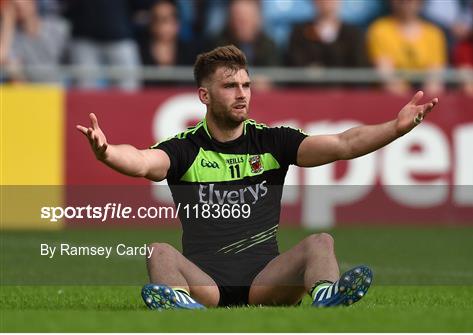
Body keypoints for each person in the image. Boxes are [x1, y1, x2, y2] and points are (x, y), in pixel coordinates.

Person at [76, 45, 438, 308]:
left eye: (246, 85)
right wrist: (106, 152)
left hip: (265, 282)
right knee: (159, 252)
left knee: (320, 242)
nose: (241, 94)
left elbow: (343, 144)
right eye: (230, 86)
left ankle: (327, 296)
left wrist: (396, 128)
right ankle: (184, 305)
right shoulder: (184, 148)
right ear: (204, 95)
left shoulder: (272, 141)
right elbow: (140, 161)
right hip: (208, 286)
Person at [366, 0, 447, 95]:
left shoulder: (434, 34)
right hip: (391, 101)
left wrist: (421, 103)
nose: (406, 1)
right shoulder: (379, 30)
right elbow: (386, 77)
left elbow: (435, 81)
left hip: (424, 102)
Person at [286, 0, 367, 68]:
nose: (326, 1)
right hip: (309, 86)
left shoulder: (353, 34)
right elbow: (295, 65)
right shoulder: (299, 32)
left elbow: (358, 68)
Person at [138, 0, 193, 87]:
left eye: (166, 20)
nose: (162, 26)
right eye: (157, 20)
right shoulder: (139, 51)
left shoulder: (192, 52)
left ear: (177, 23)